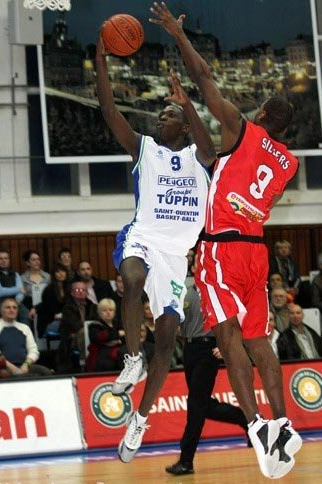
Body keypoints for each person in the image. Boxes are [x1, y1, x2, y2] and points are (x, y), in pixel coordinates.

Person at [149, 2, 301, 479]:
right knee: (260, 342)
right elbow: (216, 157)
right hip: (258, 250)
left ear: (260, 113)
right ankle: (281, 421)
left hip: (222, 249)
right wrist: (191, 108)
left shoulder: (243, 129)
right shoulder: (287, 163)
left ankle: (256, 423)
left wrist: (177, 34)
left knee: (228, 335)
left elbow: (204, 74)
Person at [96, 33, 215, 463]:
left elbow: (209, 145)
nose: (159, 119)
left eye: (167, 115)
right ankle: (132, 359)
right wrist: (101, 58)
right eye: (162, 114)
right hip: (143, 237)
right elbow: (109, 111)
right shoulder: (144, 149)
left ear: (183, 124)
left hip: (175, 256)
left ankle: (140, 420)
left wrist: (186, 103)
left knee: (166, 339)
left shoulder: (199, 158)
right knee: (130, 278)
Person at [166, 276, 249, 476]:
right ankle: (246, 418)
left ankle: (186, 459)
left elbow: (238, 316)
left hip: (208, 348)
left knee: (196, 404)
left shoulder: (219, 288)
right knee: (203, 404)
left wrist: (227, 345)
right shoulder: (183, 286)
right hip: (189, 347)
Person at [0, 298, 51, 376]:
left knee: (45, 372)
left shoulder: (25, 328)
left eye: (14, 307)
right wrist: (11, 367)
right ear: (1, 311)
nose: (12, 310)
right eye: (8, 307)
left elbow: (33, 350)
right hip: (4, 367)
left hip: (25, 365)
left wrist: (26, 365)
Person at [57, 281, 97, 372]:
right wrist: (86, 325)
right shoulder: (67, 307)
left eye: (83, 290)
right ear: (72, 293)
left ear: (87, 293)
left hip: (91, 335)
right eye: (77, 289)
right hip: (71, 338)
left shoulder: (93, 306)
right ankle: (84, 362)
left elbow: (95, 322)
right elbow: (74, 325)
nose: (81, 292)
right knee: (83, 332)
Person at [0, 249, 29, 324]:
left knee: (24, 312)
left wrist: (17, 301)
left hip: (15, 302)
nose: (4, 260)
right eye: (1, 258)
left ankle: (25, 334)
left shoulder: (15, 274)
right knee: (11, 312)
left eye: (6, 258)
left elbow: (22, 292)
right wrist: (18, 289)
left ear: (9, 260)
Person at [85, 298, 125, 372]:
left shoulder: (119, 324)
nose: (108, 312)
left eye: (111, 310)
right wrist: (119, 333)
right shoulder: (94, 325)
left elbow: (125, 339)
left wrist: (117, 341)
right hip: (100, 357)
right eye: (104, 310)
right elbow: (98, 337)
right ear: (99, 312)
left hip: (118, 355)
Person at [21, 250, 51, 321]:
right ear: (28, 263)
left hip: (45, 304)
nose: (37, 262)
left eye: (38, 259)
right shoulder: (23, 278)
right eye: (33, 260)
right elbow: (23, 295)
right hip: (29, 304)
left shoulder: (47, 276)